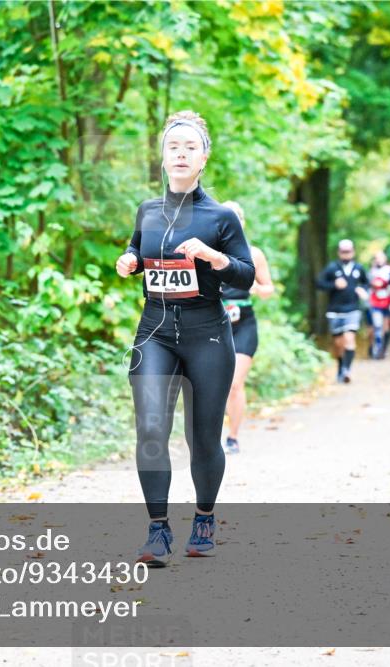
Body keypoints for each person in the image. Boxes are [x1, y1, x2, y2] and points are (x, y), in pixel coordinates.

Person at [116, 110, 254, 565]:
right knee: (151, 429)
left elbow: (247, 275)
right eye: (172, 147)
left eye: (189, 147)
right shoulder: (148, 210)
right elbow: (139, 246)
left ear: (203, 158)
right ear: (162, 156)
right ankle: (157, 532)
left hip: (208, 336)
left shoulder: (220, 217)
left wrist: (214, 257)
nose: (180, 154)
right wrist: (129, 259)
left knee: (203, 437)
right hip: (154, 331)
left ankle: (204, 518)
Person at [220, 200, 275, 455]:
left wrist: (254, 287)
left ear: (241, 223)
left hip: (244, 323)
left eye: (236, 218)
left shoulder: (253, 254)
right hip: (213, 323)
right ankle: (211, 435)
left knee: (234, 383)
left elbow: (268, 288)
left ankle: (233, 436)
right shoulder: (206, 251)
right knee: (211, 384)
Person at [316, 239, 369, 383]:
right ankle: (340, 365)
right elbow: (319, 283)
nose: (346, 254)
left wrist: (363, 291)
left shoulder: (359, 268)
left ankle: (347, 370)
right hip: (335, 310)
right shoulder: (332, 268)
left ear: (353, 252)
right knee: (338, 343)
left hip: (352, 309)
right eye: (344, 251)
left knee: (349, 338)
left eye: (349, 251)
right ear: (339, 252)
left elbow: (366, 283)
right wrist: (333, 285)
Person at [367, 250, 390, 359]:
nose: (379, 260)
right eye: (377, 258)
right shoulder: (371, 271)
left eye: (381, 258)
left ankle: (384, 348)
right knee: (377, 325)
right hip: (375, 302)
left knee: (386, 326)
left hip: (387, 302)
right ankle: (377, 348)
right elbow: (368, 284)